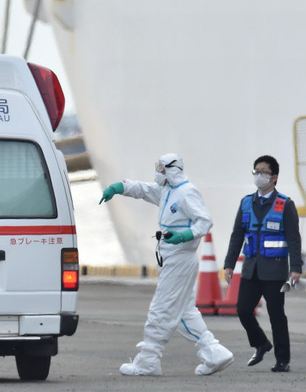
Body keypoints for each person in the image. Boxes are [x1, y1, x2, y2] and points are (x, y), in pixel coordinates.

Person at [99, 153, 234, 376]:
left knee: (161, 308)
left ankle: (148, 360)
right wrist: (119, 187)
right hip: (171, 258)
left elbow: (205, 220)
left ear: (172, 169)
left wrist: (185, 235)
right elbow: (143, 190)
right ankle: (213, 351)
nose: (158, 172)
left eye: (161, 168)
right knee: (183, 311)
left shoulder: (186, 192)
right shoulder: (167, 191)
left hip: (180, 258)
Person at [223, 155, 302, 373]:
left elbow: (294, 238)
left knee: (277, 315)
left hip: (275, 270)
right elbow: (237, 235)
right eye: (256, 171)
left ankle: (282, 359)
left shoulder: (285, 204)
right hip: (251, 268)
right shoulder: (247, 202)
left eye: (264, 172)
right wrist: (229, 264)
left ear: (274, 177)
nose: (259, 176)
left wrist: (296, 268)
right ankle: (261, 343)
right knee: (243, 309)